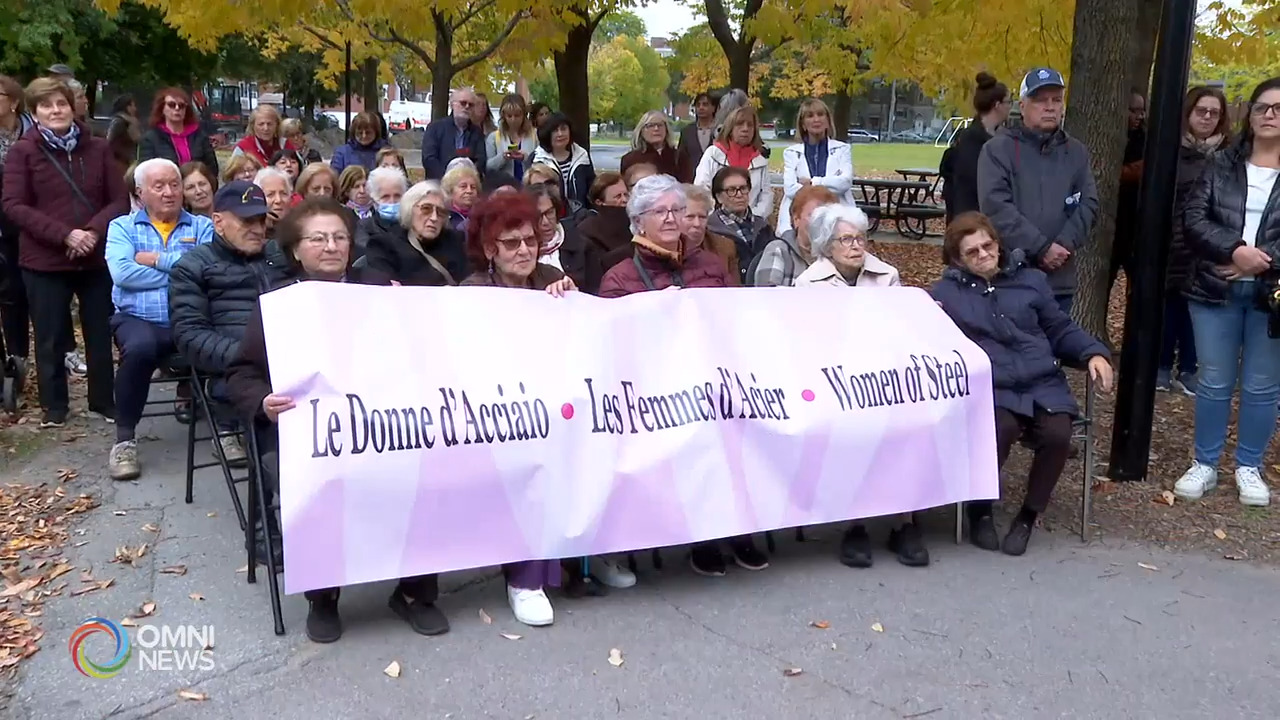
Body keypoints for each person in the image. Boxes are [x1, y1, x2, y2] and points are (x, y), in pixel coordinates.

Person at [225, 197, 447, 643]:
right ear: (295, 251)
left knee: (421, 471)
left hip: (383, 423)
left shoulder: (378, 286)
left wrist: (411, 313)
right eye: (319, 238)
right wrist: (263, 400)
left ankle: (415, 592)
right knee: (322, 480)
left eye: (340, 237)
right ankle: (323, 597)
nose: (331, 246)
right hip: (307, 432)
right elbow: (241, 373)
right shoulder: (281, 304)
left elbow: (428, 343)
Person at [598, 175, 769, 575]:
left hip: (716, 376)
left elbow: (737, 321)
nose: (672, 218)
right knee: (696, 429)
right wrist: (654, 312)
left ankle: (739, 524)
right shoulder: (619, 275)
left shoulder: (710, 264)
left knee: (738, 424)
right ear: (639, 222)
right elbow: (614, 342)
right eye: (661, 212)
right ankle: (704, 534)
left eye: (677, 209)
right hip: (657, 390)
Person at [932, 212, 1113, 554]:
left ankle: (1028, 516)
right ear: (958, 259)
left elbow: (1060, 328)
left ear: (998, 244)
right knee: (999, 429)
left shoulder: (1030, 281)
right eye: (973, 252)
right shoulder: (947, 295)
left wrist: (1093, 353)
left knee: (1059, 435)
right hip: (991, 388)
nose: (985, 255)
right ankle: (980, 509)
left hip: (1042, 382)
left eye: (989, 245)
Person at [457, 192, 578, 623]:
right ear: (490, 249)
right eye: (511, 243)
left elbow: (583, 339)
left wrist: (570, 300)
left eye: (530, 240)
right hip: (495, 412)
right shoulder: (473, 291)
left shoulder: (550, 278)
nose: (525, 250)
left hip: (553, 405)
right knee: (530, 461)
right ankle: (525, 580)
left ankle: (581, 558)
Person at [791, 204, 926, 565]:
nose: (856, 246)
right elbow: (805, 342)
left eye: (860, 238)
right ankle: (855, 524)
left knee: (907, 426)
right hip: (834, 382)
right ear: (826, 245)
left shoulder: (886, 276)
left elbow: (903, 330)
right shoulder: (807, 285)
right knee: (851, 430)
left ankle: (904, 522)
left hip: (886, 376)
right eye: (846, 239)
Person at [1174, 77, 1280, 508]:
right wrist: (1235, 251)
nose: (1270, 115)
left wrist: (1261, 261)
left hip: (1271, 294)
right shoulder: (1221, 164)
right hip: (1214, 288)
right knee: (1213, 381)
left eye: (1279, 108)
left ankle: (1249, 466)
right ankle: (1205, 463)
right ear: (1250, 114)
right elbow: (1194, 218)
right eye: (1263, 107)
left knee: (1262, 386)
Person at [1, 77, 128, 427]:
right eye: (46, 105)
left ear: (72, 107)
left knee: (100, 334)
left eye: (61, 104)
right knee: (50, 336)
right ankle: (54, 407)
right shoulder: (23, 152)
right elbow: (13, 205)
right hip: (44, 259)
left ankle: (103, 401)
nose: (55, 111)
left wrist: (90, 232)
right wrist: (65, 235)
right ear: (35, 112)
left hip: (95, 256)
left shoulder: (99, 148)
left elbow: (119, 200)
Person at [168, 181, 294, 502]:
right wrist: (249, 357)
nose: (256, 228)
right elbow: (190, 338)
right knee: (269, 413)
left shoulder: (280, 255)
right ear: (218, 221)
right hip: (235, 372)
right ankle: (267, 528)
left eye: (260, 220)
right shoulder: (192, 268)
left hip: (293, 362)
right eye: (246, 221)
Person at [105, 159, 214, 480]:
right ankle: (124, 439)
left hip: (190, 318)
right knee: (139, 348)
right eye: (159, 186)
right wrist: (183, 272)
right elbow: (122, 274)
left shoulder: (201, 227)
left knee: (225, 341)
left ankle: (228, 428)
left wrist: (156, 260)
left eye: (175, 184)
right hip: (138, 317)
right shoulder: (122, 227)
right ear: (140, 193)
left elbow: (208, 271)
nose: (170, 192)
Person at [977, 67, 1098, 315]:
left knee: (1056, 350)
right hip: (1011, 277)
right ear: (1022, 106)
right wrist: (1041, 248)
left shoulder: (1076, 153)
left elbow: (1089, 204)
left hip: (1060, 281)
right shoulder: (998, 150)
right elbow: (996, 207)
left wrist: (1063, 245)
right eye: (1040, 100)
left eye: (1056, 100)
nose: (1050, 106)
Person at [1160, 86, 1232, 394]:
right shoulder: (1170, 151)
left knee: (1199, 310)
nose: (1207, 118)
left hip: (1211, 245)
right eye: (1201, 111)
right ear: (1188, 113)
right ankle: (1161, 367)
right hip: (1171, 243)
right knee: (1169, 308)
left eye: (1214, 113)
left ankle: (1190, 368)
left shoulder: (1229, 157)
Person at [364, 180, 468, 286]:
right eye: (426, 209)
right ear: (409, 209)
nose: (434, 218)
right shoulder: (383, 245)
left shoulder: (455, 241)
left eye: (441, 212)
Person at [777, 98, 854, 235]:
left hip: (837, 214)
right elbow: (790, 189)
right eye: (810, 116)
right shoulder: (792, 153)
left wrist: (813, 182)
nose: (816, 119)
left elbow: (845, 182)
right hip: (802, 215)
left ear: (827, 121)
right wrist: (829, 185)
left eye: (820, 114)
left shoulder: (842, 149)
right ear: (803, 124)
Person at [940, 73, 1010, 222]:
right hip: (971, 222)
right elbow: (968, 188)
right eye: (1008, 102)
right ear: (997, 105)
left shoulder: (999, 138)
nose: (1010, 107)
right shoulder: (971, 140)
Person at [0, 74, 34, 383]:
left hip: (32, 219)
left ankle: (20, 355)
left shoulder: (33, 132)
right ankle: (11, 360)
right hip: (2, 221)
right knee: (8, 290)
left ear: (13, 101)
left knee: (23, 290)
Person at [694, 104, 772, 220]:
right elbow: (701, 189)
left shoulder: (760, 159)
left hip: (752, 222)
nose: (745, 129)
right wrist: (716, 218)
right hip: (716, 222)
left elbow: (766, 196)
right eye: (740, 124)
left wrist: (752, 218)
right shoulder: (713, 154)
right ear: (730, 128)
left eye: (750, 125)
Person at [751, 185, 838, 287]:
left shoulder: (839, 254)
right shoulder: (779, 250)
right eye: (814, 215)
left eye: (826, 216)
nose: (820, 222)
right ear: (796, 219)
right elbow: (766, 295)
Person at [705, 166, 775, 285]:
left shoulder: (763, 227)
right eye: (731, 190)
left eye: (743, 189)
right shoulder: (710, 230)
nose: (739, 195)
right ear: (719, 197)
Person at [1110, 89, 1147, 293]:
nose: (1139, 117)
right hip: (1112, 221)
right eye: (1134, 111)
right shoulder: (1111, 137)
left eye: (1142, 111)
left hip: (1135, 223)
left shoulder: (1146, 139)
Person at [138, 88, 219, 179]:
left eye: (181, 106)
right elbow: (145, 172)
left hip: (195, 188)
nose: (177, 108)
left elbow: (212, 170)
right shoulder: (150, 138)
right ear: (162, 108)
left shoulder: (200, 136)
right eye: (171, 105)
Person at [579, 172, 635, 294]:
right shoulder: (588, 230)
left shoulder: (639, 220)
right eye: (618, 197)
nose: (624, 200)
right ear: (600, 202)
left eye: (626, 195)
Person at [532, 112, 595, 215]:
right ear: (548, 134)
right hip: (550, 218)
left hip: (581, 218)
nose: (560, 134)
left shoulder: (582, 156)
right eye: (555, 130)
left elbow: (592, 189)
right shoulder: (537, 159)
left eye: (563, 129)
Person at [527, 184, 586, 287]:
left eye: (549, 212)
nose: (545, 222)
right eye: (538, 216)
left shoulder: (582, 245)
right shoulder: (520, 254)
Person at [421, 87, 487, 180]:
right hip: (438, 184)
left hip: (467, 184)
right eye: (463, 103)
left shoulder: (476, 132)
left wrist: (466, 178)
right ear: (452, 105)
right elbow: (429, 159)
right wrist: (448, 179)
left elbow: (481, 160)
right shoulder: (435, 128)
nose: (467, 107)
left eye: (471, 105)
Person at [682, 184, 739, 284]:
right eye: (690, 217)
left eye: (702, 217)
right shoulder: (665, 248)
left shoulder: (725, 248)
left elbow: (734, 291)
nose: (697, 224)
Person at [620, 111, 692, 183]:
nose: (656, 129)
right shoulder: (630, 159)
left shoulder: (679, 157)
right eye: (650, 125)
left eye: (660, 125)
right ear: (641, 131)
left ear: (666, 129)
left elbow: (687, 186)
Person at [354, 166, 408, 259]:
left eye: (397, 196)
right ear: (374, 200)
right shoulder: (365, 227)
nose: (392, 201)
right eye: (385, 197)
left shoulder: (411, 226)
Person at [485, 94, 537, 182]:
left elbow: (541, 162)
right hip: (504, 187)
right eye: (509, 116)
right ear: (503, 116)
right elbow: (488, 167)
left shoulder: (535, 135)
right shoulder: (494, 137)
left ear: (524, 115)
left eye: (517, 116)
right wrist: (503, 157)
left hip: (529, 186)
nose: (513, 120)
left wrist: (525, 157)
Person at [677, 92, 718, 172]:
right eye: (698, 105)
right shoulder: (687, 131)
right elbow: (681, 158)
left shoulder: (720, 130)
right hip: (692, 178)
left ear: (713, 108)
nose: (701, 108)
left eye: (705, 104)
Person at [105, 94, 140, 171]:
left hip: (128, 162)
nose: (135, 109)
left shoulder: (132, 123)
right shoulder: (119, 122)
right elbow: (108, 140)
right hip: (118, 163)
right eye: (133, 106)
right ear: (127, 107)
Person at [441, 162, 480, 231]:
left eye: (473, 187)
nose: (469, 191)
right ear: (451, 190)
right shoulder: (443, 215)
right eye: (463, 186)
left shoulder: (483, 215)